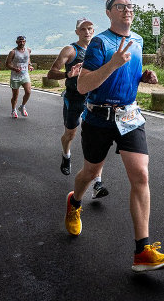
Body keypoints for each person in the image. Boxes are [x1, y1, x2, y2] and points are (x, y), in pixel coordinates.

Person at [64, 0, 164, 273]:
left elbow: (127, 74)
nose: (127, 10)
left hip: (129, 115)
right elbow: (82, 85)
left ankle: (143, 251)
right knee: (90, 173)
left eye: (130, 7)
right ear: (108, 12)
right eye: (120, 7)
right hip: (99, 117)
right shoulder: (101, 42)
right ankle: (74, 201)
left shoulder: (137, 40)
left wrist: (142, 76)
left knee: (141, 174)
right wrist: (112, 63)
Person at [47, 19, 108, 199]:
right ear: (77, 32)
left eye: (90, 29)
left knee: (96, 140)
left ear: (93, 30)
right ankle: (66, 155)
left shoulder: (99, 49)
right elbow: (51, 74)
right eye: (83, 29)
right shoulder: (70, 50)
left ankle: (97, 183)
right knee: (70, 135)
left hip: (94, 100)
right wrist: (68, 74)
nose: (87, 32)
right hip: (74, 98)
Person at [5, 35, 32, 118]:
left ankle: (22, 106)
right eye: (20, 41)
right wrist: (14, 68)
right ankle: (13, 110)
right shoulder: (13, 52)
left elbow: (28, 59)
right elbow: (7, 64)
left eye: (23, 41)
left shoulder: (28, 50)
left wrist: (30, 65)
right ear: (17, 42)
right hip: (15, 76)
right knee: (15, 95)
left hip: (24, 75)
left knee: (28, 92)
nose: (22, 43)